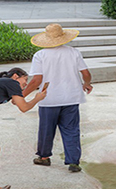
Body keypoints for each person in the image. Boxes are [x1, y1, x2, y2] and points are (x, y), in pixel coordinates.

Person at [23, 23, 93, 173]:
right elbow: (86, 73)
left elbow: (36, 80)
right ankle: (73, 161)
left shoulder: (40, 55)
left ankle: (43, 157)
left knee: (46, 129)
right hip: (71, 97)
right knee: (71, 130)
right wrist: (86, 84)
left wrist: (22, 95)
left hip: (48, 99)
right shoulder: (74, 52)